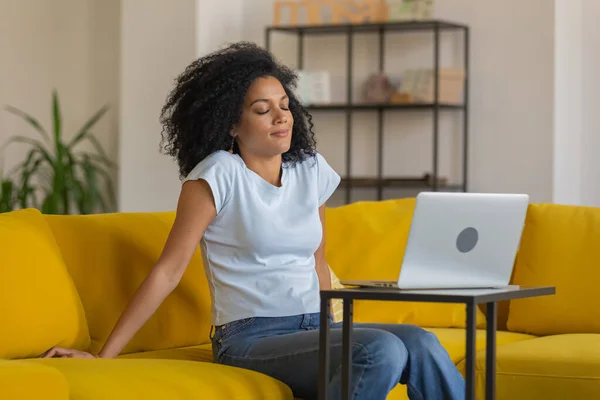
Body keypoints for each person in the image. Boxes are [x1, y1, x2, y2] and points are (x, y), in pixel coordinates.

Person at [41, 42, 465, 400]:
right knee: (383, 351)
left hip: (314, 326)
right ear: (231, 122)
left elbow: (318, 262)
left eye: (284, 105)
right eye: (263, 110)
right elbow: (167, 272)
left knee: (422, 343)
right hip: (250, 338)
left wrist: (334, 333)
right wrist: (104, 356)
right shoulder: (216, 177)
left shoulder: (311, 169)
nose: (281, 117)